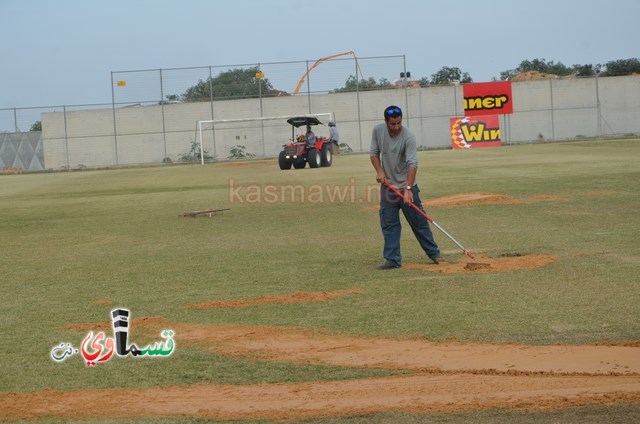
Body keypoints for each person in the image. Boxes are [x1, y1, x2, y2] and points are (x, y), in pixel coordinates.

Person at [370, 105, 443, 270]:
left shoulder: (408, 136)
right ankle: (392, 260)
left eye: (399, 123)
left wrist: (408, 188)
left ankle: (435, 254)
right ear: (385, 122)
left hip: (407, 187)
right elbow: (374, 153)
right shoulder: (378, 131)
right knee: (389, 224)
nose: (396, 127)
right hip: (388, 188)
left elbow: (412, 163)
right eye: (392, 124)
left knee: (419, 222)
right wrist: (379, 171)